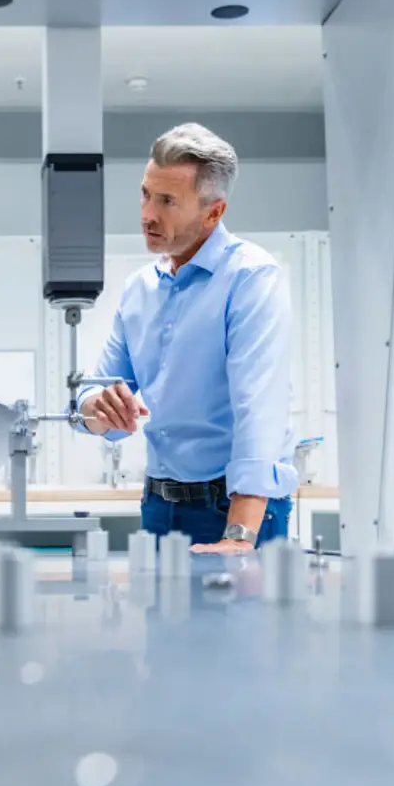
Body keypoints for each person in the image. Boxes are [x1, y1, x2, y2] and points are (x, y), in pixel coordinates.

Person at [75, 122, 297, 553]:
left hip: (235, 509)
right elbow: (98, 394)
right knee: (164, 622)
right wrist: (95, 409)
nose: (147, 214)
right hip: (160, 506)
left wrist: (238, 536)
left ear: (213, 212)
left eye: (167, 201)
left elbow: (259, 408)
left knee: (244, 622)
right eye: (145, 193)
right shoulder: (140, 288)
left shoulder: (251, 278)